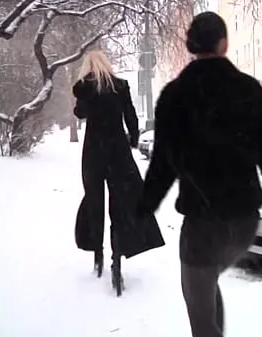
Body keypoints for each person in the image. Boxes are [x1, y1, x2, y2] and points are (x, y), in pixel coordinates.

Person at [136, 11, 262, 337]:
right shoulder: (249, 90)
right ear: (224, 44)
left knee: (198, 300)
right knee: (208, 282)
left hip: (202, 224)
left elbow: (162, 164)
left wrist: (143, 207)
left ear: (191, 45)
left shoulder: (174, 96)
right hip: (243, 223)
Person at [72, 50, 165, 297]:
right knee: (121, 204)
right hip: (118, 152)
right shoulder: (120, 86)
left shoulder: (84, 87)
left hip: (94, 152)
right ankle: (117, 260)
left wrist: (85, 99)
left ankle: (98, 254)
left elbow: (79, 114)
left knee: (95, 201)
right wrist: (133, 140)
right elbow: (131, 118)